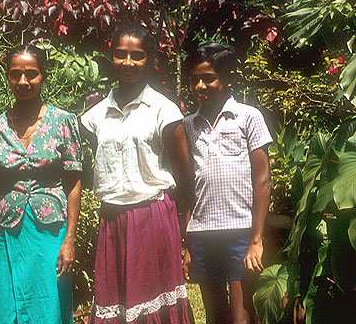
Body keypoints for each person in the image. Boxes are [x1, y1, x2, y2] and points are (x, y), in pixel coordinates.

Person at [80, 23, 194, 323]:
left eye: (137, 56)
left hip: (152, 217)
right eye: (120, 54)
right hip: (112, 220)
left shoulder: (163, 110)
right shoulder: (93, 117)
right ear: (111, 56)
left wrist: (182, 229)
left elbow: (185, 177)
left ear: (150, 59)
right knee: (114, 302)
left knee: (152, 303)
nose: (128, 63)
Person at [0, 44, 83, 324]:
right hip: (10, 231)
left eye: (31, 74)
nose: (23, 82)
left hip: (51, 232)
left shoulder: (63, 122)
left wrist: (70, 240)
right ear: (7, 77)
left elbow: (73, 182)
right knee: (8, 310)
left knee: (48, 306)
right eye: (15, 74)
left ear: (44, 75)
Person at [181, 43, 272, 324]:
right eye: (194, 78)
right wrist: (186, 244)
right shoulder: (187, 125)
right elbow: (185, 187)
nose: (200, 85)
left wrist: (256, 241)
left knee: (241, 314)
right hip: (202, 233)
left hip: (240, 231)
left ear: (229, 78)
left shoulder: (248, 117)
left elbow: (263, 179)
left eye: (208, 78)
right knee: (214, 313)